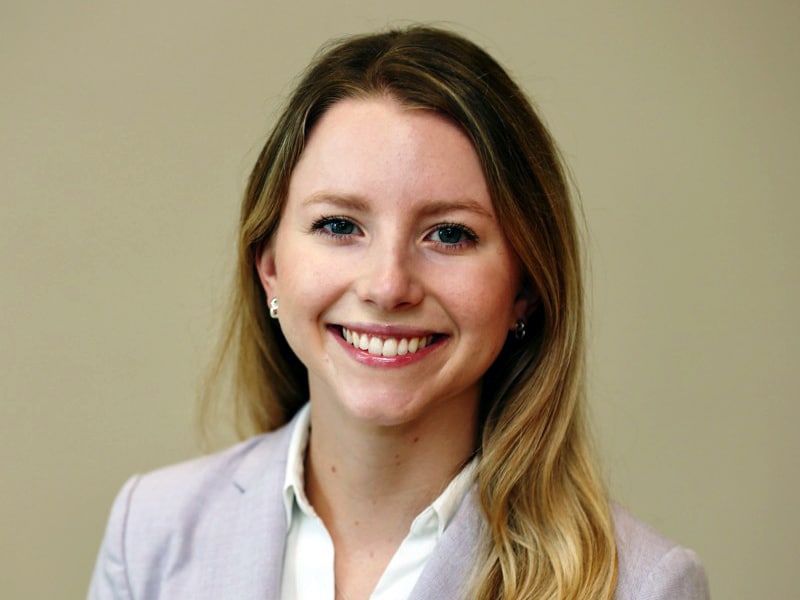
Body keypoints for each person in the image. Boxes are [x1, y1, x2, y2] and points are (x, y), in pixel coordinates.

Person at [88, 26, 709, 600]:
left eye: (449, 235)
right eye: (338, 225)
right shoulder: (148, 533)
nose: (388, 286)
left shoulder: (644, 586)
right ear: (270, 264)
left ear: (525, 287)